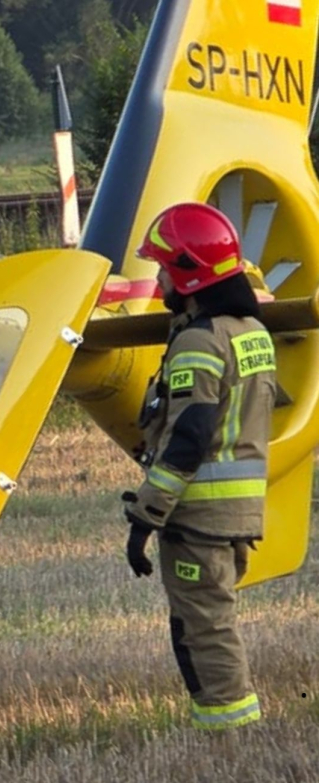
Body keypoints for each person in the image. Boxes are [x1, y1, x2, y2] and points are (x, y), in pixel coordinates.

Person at [125, 202, 275, 732]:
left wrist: (146, 513)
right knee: (210, 620)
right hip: (237, 511)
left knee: (204, 629)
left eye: (165, 268)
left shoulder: (198, 342)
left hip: (200, 516)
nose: (159, 277)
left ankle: (229, 736)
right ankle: (225, 727)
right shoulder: (250, 333)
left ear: (189, 274)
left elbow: (188, 439)